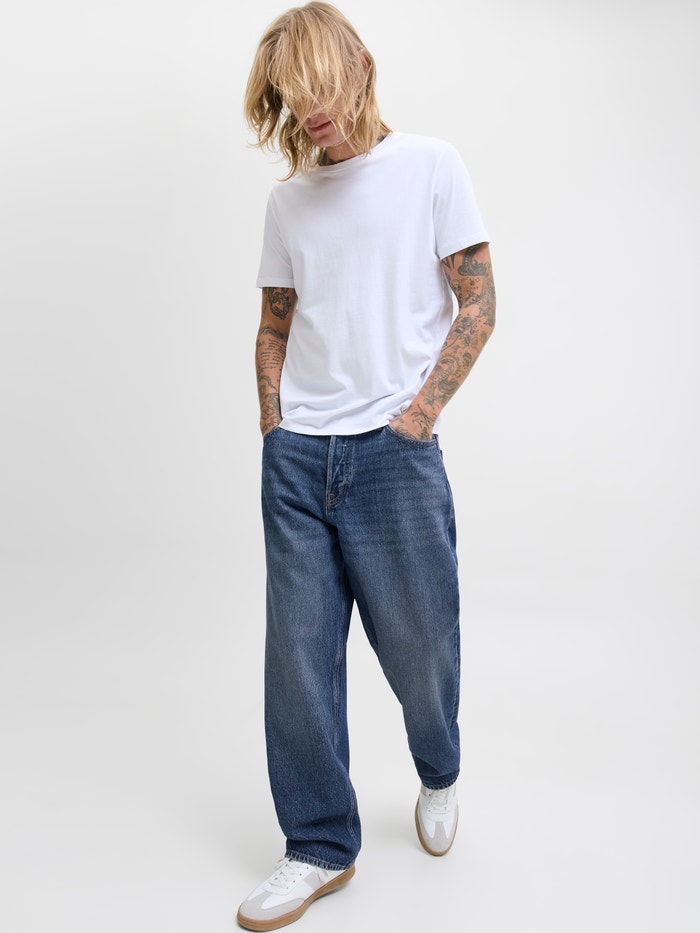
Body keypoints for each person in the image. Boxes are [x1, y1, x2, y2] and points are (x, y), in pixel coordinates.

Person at [238, 3, 495, 929]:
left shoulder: (432, 165)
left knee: (422, 645)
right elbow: (273, 324)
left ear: (360, 67)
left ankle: (439, 767)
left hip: (394, 455)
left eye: (319, 88)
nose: (311, 112)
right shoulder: (289, 203)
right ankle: (318, 843)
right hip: (299, 460)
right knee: (299, 660)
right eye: (291, 97)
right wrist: (275, 425)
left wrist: (417, 419)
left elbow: (478, 303)